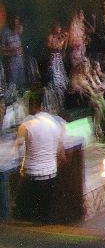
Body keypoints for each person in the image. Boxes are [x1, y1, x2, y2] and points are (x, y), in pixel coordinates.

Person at [13, 87, 66, 223]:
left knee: (24, 216)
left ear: (31, 105)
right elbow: (61, 156)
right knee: (45, 218)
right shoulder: (55, 124)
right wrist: (50, 167)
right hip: (51, 178)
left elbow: (17, 153)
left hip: (31, 179)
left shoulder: (26, 126)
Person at [44, 23, 68, 115]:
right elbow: (49, 48)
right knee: (54, 81)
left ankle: (61, 104)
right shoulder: (50, 37)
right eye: (57, 30)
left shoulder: (60, 37)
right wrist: (58, 42)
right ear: (53, 29)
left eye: (59, 30)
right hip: (53, 60)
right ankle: (55, 105)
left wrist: (63, 45)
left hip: (58, 59)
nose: (59, 32)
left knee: (61, 82)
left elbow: (63, 47)